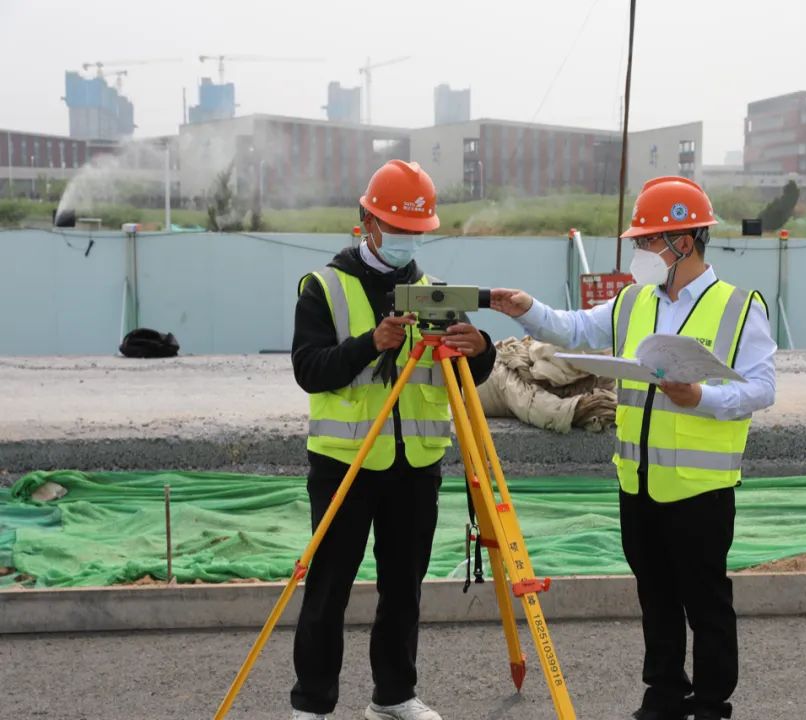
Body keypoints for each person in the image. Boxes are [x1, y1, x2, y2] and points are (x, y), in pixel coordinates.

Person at [490, 176, 776, 720]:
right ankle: (664, 693)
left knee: (706, 602)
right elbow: (575, 330)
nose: (640, 251)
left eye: (647, 241)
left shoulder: (739, 307)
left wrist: (701, 397)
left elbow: (762, 389)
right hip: (638, 480)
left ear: (683, 242)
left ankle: (711, 702)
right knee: (655, 595)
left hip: (700, 488)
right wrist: (527, 309)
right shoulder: (632, 301)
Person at [290, 159, 496, 720]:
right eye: (399, 228)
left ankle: (394, 696)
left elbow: (466, 377)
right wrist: (370, 343)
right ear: (368, 223)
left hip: (415, 464)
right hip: (345, 462)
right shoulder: (324, 288)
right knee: (329, 587)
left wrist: (482, 349)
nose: (408, 240)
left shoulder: (433, 293)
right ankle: (312, 704)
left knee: (404, 586)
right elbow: (309, 369)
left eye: (416, 230)